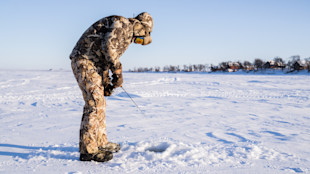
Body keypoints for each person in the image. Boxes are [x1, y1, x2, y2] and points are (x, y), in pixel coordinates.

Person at [70, 12, 153, 162]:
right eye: (141, 38)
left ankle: (101, 143)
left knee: (100, 103)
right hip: (84, 60)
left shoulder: (126, 35)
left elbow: (105, 58)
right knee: (94, 103)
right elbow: (108, 46)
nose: (137, 41)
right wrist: (118, 70)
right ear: (141, 27)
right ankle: (88, 151)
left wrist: (106, 81)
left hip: (95, 64)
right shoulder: (123, 24)